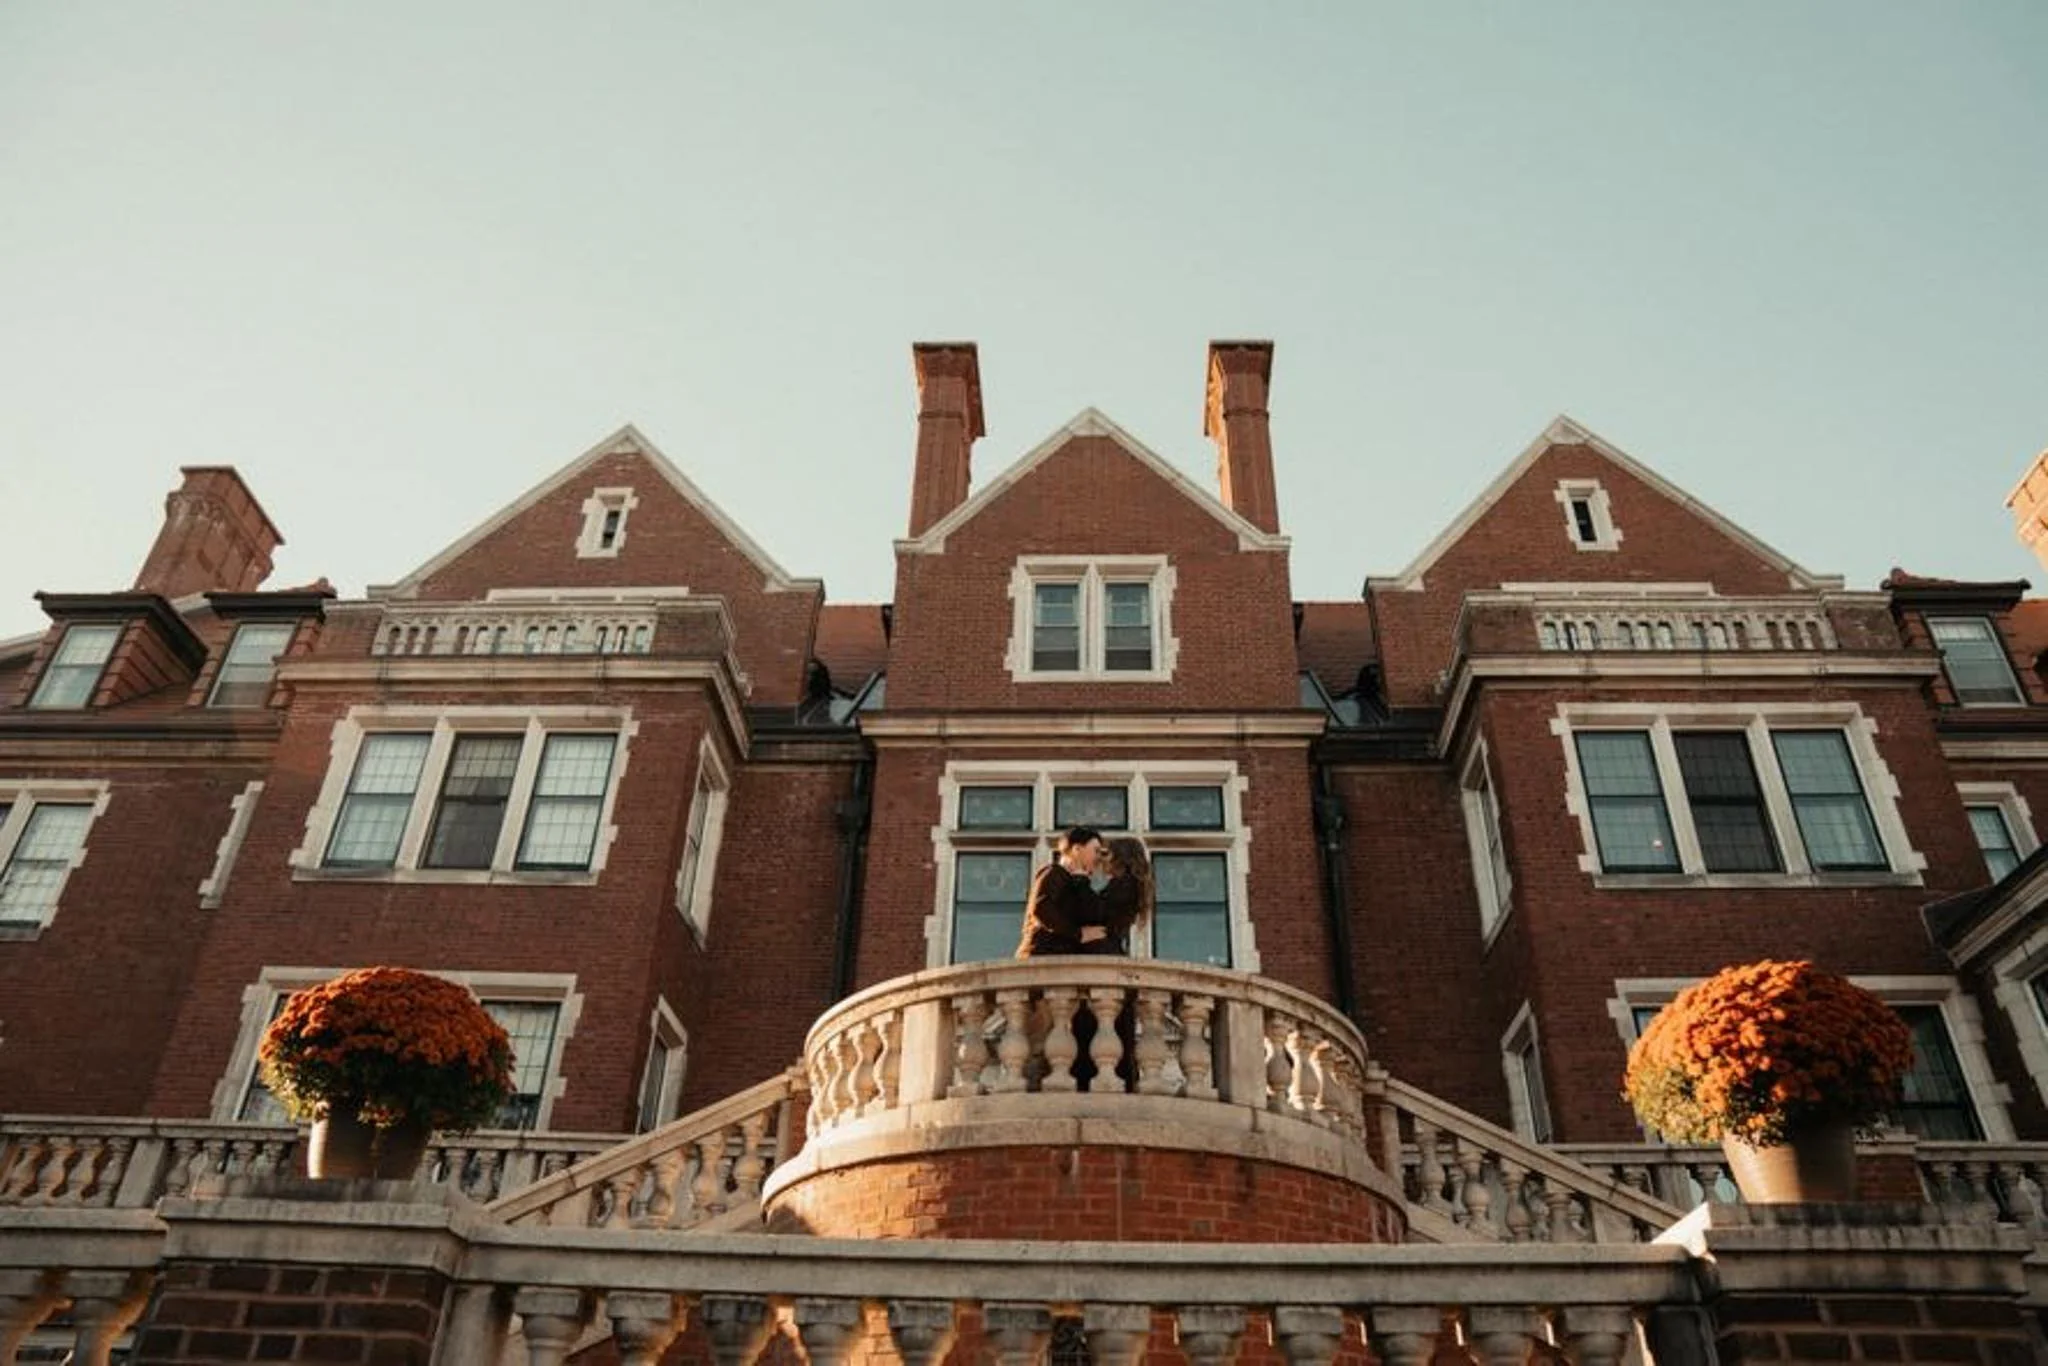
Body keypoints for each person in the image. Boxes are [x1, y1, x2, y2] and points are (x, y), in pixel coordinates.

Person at [1014, 826, 1104, 958]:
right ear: (1077, 849)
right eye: (1095, 850)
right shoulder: (1054, 873)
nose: (1098, 857)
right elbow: (1041, 907)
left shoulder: (1074, 880)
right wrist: (1078, 934)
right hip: (1043, 957)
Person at [1082, 837, 1152, 957]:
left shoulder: (1124, 884)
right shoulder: (1132, 884)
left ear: (1120, 857)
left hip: (1103, 949)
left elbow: (1098, 912)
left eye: (1107, 854)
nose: (1102, 860)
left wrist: (1081, 879)